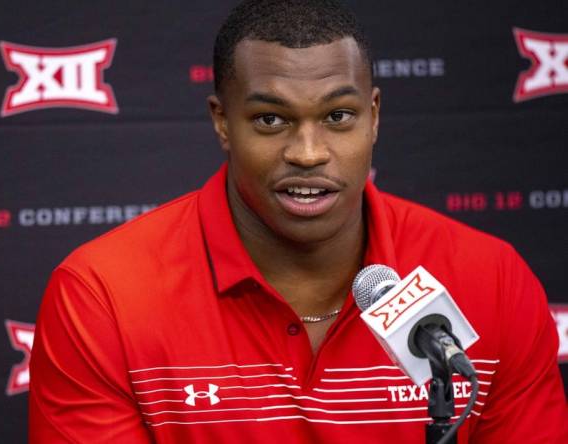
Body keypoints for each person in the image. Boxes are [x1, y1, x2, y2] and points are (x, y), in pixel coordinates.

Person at [28, 1, 567, 442]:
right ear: (222, 122)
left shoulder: (490, 278)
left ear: (373, 117)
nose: (308, 153)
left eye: (338, 116)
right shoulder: (102, 295)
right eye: (270, 119)